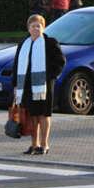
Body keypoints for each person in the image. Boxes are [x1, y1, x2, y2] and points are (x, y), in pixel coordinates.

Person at [11, 14, 66, 155]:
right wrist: (16, 85)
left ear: (43, 27)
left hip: (44, 86)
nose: (36, 28)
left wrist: (49, 77)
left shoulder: (50, 43)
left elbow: (60, 62)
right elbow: (17, 65)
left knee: (44, 115)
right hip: (27, 86)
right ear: (28, 28)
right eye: (33, 26)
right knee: (32, 116)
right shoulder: (24, 44)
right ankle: (34, 145)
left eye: (38, 25)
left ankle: (44, 144)